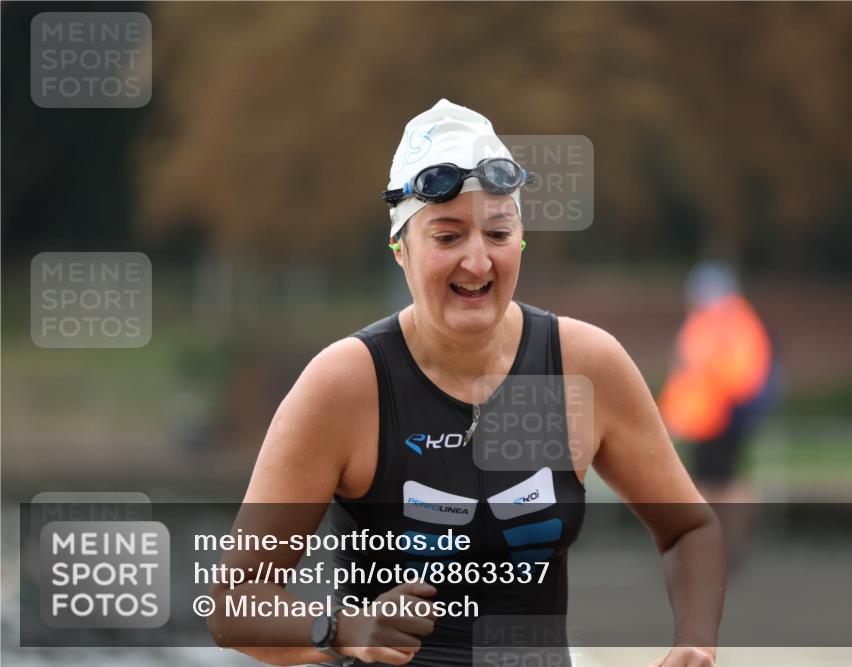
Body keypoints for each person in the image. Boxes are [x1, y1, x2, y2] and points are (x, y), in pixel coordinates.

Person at [208, 99, 724, 667]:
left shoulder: (584, 365)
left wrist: (693, 646)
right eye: (447, 237)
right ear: (400, 250)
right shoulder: (345, 385)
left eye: (498, 233)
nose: (477, 262)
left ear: (521, 241)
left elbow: (689, 528)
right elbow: (232, 604)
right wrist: (340, 627)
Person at [657, 262, 780, 561]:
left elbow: (727, 374)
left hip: (717, 418)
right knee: (718, 481)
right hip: (711, 418)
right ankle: (718, 545)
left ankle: (713, 547)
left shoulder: (722, 324)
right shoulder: (728, 321)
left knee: (713, 483)